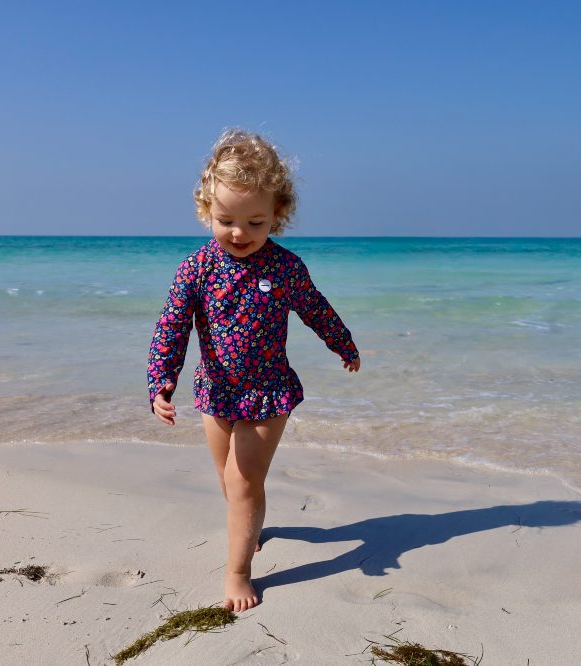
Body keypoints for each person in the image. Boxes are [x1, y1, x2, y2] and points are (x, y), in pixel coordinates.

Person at [146, 129, 361, 612]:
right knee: (228, 478)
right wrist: (162, 381)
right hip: (215, 391)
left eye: (255, 222)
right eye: (226, 220)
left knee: (243, 482)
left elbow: (315, 309)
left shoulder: (286, 269)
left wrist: (341, 343)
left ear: (277, 216)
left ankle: (238, 570)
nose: (239, 233)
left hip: (268, 393)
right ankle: (251, 528)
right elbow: (171, 327)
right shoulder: (196, 269)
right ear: (206, 211)